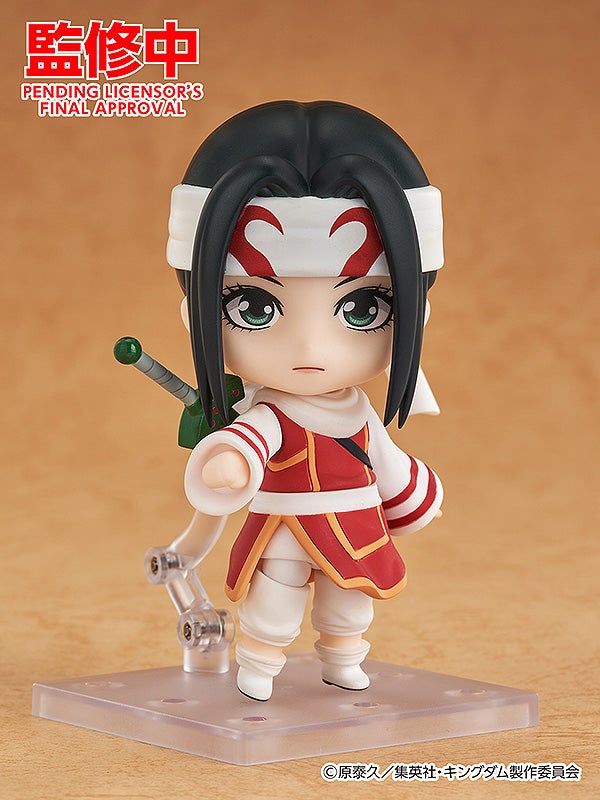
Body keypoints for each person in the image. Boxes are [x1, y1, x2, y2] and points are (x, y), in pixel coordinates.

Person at [166, 101, 444, 700]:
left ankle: (343, 656)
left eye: (363, 308)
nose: (311, 348)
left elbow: (385, 459)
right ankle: (260, 662)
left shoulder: (357, 412)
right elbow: (249, 440)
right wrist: (230, 460)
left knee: (350, 600)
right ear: (197, 312)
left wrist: (412, 495)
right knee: (275, 596)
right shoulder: (272, 413)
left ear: (415, 312)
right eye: (253, 307)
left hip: (355, 518)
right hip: (286, 522)